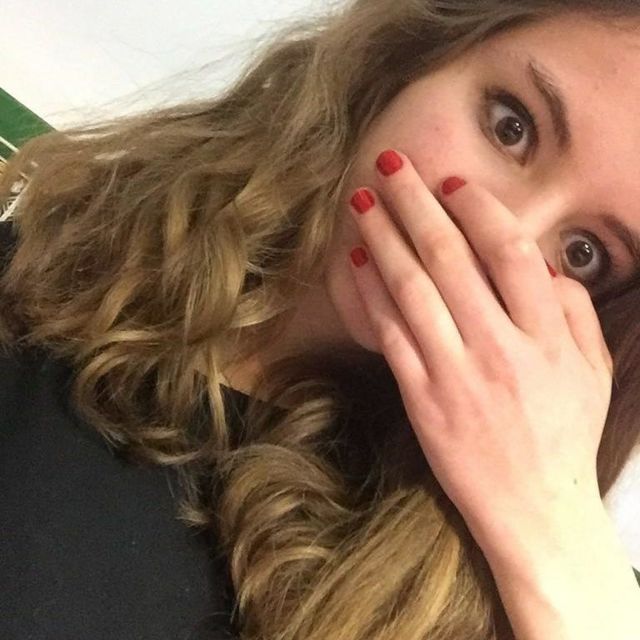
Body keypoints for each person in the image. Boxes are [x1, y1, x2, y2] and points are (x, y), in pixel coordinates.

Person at [1, 0, 640, 638]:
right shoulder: (36, 273)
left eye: (583, 254)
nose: (498, 243)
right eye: (511, 126)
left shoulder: (546, 591)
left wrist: (550, 534)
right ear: (408, 59)